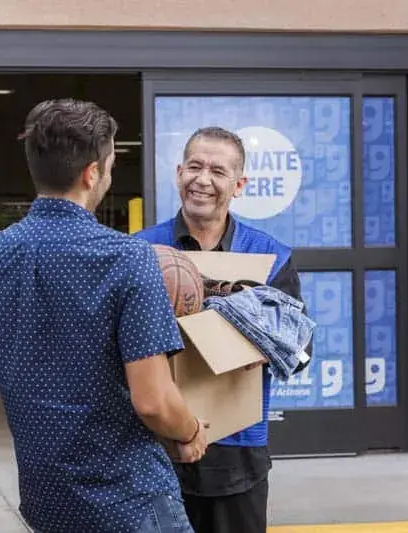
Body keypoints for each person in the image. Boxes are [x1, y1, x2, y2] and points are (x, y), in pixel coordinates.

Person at [0, 98, 208, 533]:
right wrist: (191, 431)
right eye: (111, 164)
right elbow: (154, 402)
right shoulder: (128, 258)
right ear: (92, 173)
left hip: (47, 502)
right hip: (129, 502)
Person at [135, 126, 311, 533]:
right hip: (155, 451)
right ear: (178, 173)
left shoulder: (269, 258)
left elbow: (301, 354)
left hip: (238, 453)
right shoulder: (140, 251)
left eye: (217, 171)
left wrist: (252, 333)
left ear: (239, 185)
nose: (202, 179)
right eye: (194, 167)